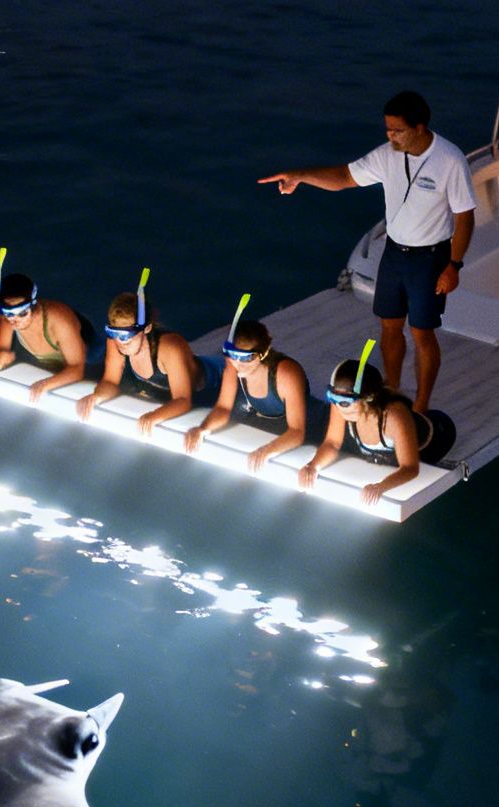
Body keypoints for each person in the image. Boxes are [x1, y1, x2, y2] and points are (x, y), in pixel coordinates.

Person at [259, 89, 476, 414]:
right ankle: (391, 389)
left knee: (422, 331)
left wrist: (453, 265)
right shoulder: (388, 154)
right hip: (394, 253)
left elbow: (465, 217)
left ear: (419, 127)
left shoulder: (449, 160)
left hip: (431, 257)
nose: (390, 136)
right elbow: (346, 177)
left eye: (397, 130)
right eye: (387, 129)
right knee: (389, 324)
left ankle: (421, 404)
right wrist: (301, 176)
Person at [298, 355, 455, 506]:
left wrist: (381, 487)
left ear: (367, 399)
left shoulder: (393, 416)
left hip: (438, 435)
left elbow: (410, 468)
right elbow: (332, 443)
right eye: (332, 398)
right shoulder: (341, 402)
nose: (338, 406)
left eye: (345, 402)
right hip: (388, 444)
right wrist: (313, 466)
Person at [183, 316, 310, 472]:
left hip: (306, 424)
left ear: (263, 354)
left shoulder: (287, 374)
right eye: (233, 354)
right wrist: (202, 429)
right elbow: (223, 408)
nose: (238, 364)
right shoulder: (234, 365)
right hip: (264, 417)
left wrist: (267, 450)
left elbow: (297, 432)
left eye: (246, 358)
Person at [77, 280, 200, 436]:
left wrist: (154, 416)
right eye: (115, 333)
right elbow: (110, 382)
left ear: (147, 328)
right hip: (154, 386)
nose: (121, 341)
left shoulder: (170, 348)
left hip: (207, 386)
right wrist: (97, 396)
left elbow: (183, 400)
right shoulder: (115, 341)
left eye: (127, 334)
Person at [0, 270, 94, 401]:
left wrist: (45, 384)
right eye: (9, 313)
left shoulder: (59, 320)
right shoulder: (7, 318)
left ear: (32, 306)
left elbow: (76, 369)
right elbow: (3, 350)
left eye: (22, 313)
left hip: (91, 359)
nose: (15, 320)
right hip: (50, 363)